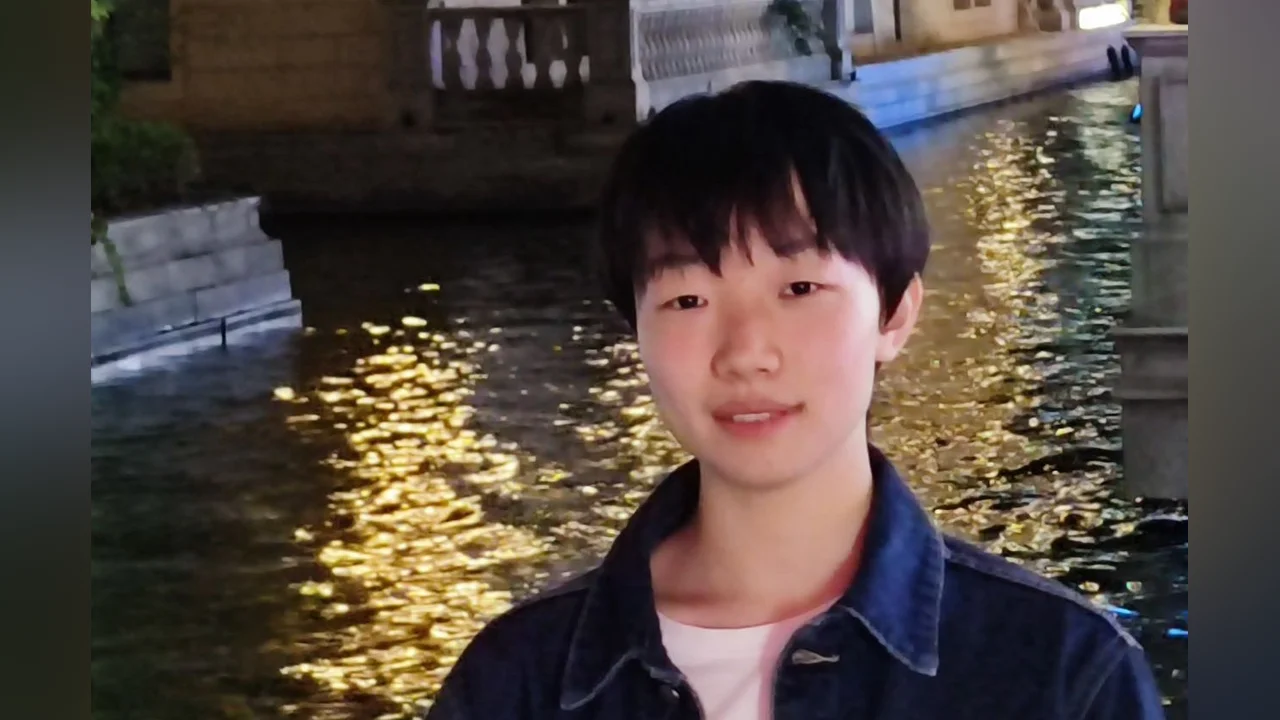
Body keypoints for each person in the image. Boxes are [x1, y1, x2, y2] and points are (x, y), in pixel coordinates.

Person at [423, 80, 1166, 720]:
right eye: (686, 299)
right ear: (635, 332)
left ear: (895, 315)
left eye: (800, 287)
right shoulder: (518, 680)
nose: (745, 351)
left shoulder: (1063, 674)